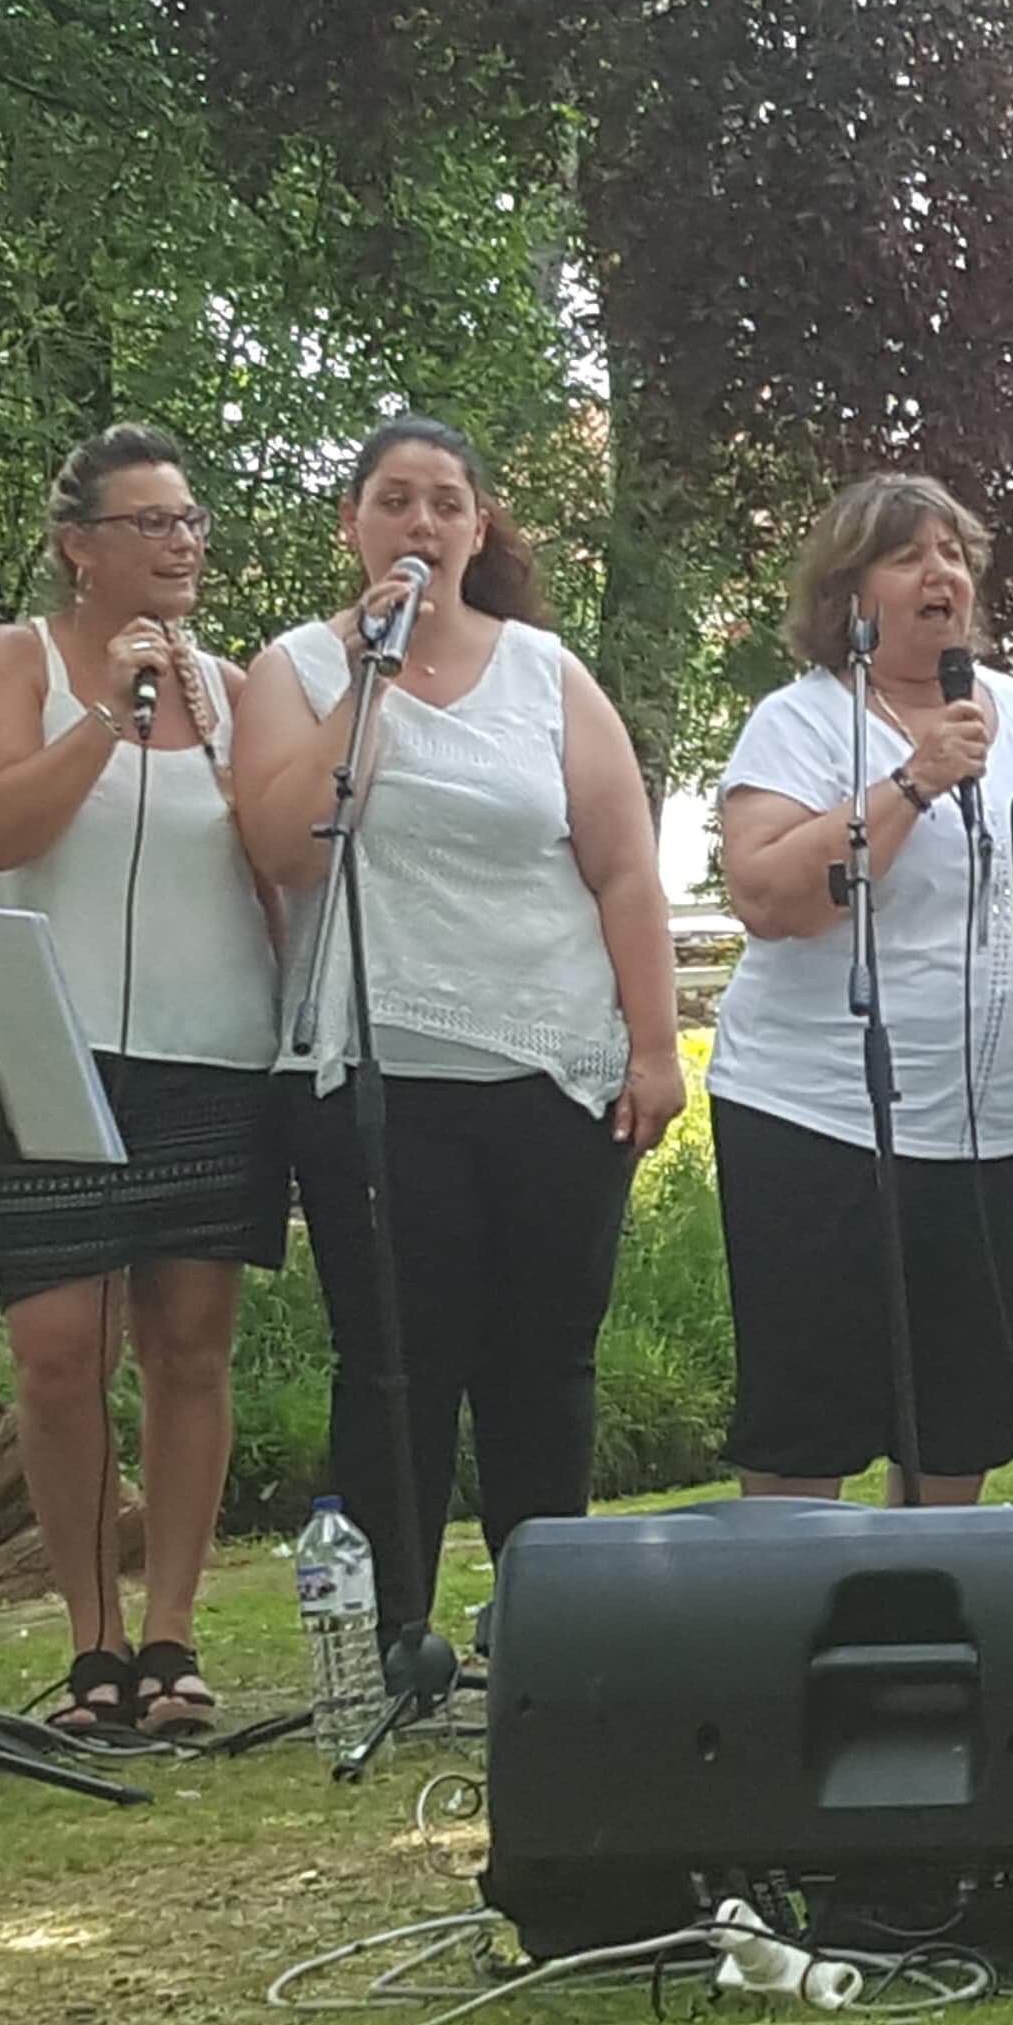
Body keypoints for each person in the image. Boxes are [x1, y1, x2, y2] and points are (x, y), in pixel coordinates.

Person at [233, 416, 686, 1645]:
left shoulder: (547, 673)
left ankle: (549, 1634)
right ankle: (392, 1641)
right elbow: (285, 849)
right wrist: (368, 681)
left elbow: (625, 871)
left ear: (479, 528)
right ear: (352, 524)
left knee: (543, 1366)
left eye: (446, 502)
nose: (421, 523)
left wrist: (655, 1050)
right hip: (375, 1077)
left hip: (553, 1075)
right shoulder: (296, 670)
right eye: (395, 499)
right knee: (395, 1368)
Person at [0, 423, 284, 1735]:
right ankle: (93, 1642)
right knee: (57, 1354)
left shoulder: (236, 691)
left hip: (213, 1054)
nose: (181, 543)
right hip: (48, 1049)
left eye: (190, 521)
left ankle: (173, 1637)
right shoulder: (12, 660)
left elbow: (271, 870)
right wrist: (107, 715)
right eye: (151, 523)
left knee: (188, 1348)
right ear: (78, 547)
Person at [706, 475, 1013, 1506]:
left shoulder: (1009, 708)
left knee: (962, 1413)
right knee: (811, 1416)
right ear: (849, 592)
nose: (943, 575)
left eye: (955, 554)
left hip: (994, 1122)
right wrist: (913, 782)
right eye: (909, 555)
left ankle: (924, 1603)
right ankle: (801, 1606)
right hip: (820, 1115)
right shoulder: (801, 721)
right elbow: (769, 897)